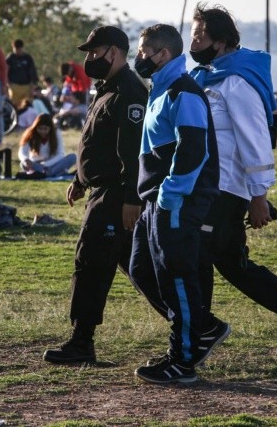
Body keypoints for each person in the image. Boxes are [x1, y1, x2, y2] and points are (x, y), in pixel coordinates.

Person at [188, 3, 277, 358]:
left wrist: (258, 197)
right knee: (235, 267)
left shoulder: (237, 81)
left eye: (198, 35)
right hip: (212, 186)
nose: (192, 42)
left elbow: (256, 142)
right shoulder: (211, 75)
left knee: (197, 256)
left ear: (220, 41)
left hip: (226, 189)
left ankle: (197, 336)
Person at [42, 25, 147, 364]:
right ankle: (196, 325)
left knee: (90, 264)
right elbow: (96, 143)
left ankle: (81, 342)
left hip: (116, 195)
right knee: (141, 268)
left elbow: (132, 153)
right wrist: (80, 179)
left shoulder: (130, 91)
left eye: (94, 52)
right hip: (101, 190)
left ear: (114, 52)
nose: (88, 59)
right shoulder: (107, 89)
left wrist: (132, 198)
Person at [127, 24, 220, 384]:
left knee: (176, 277)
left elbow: (194, 148)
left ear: (162, 54)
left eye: (142, 52)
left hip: (175, 200)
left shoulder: (184, 91)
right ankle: (199, 330)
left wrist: (171, 194)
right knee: (142, 269)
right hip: (154, 200)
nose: (139, 58)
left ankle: (182, 361)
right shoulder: (160, 88)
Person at [17, 113, 75, 179]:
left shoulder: (56, 133)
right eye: (40, 128)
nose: (42, 131)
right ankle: (56, 173)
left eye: (45, 129)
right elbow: (22, 152)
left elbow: (61, 154)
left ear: (50, 128)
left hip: (53, 163)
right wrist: (26, 160)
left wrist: (45, 164)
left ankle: (45, 174)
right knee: (22, 164)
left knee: (72, 157)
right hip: (37, 164)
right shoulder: (30, 133)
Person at [5, 39, 39, 106]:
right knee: (14, 106)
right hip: (14, 87)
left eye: (19, 49)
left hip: (26, 86)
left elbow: (33, 72)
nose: (17, 51)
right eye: (16, 49)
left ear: (22, 48)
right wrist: (8, 84)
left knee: (27, 106)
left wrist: (32, 87)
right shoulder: (10, 57)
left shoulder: (27, 58)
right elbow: (5, 70)